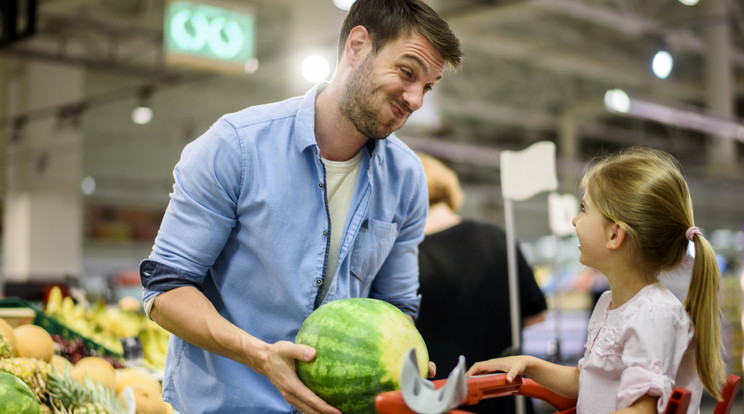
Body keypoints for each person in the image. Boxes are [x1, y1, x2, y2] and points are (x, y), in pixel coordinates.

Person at [138, 1, 463, 413]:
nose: (416, 99)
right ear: (358, 45)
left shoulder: (407, 179)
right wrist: (258, 355)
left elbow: (397, 307)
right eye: (407, 72)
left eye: (428, 87)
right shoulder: (236, 147)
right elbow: (165, 288)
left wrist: (402, 360)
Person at [466, 147, 725, 414]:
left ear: (615, 235)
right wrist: (530, 365)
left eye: (584, 209)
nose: (575, 220)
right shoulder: (608, 303)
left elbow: (641, 410)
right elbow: (588, 382)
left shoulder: (651, 314)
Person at [415, 152, 548, 414]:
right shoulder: (498, 238)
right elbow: (537, 314)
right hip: (507, 394)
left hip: (438, 400)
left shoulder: (404, 257)